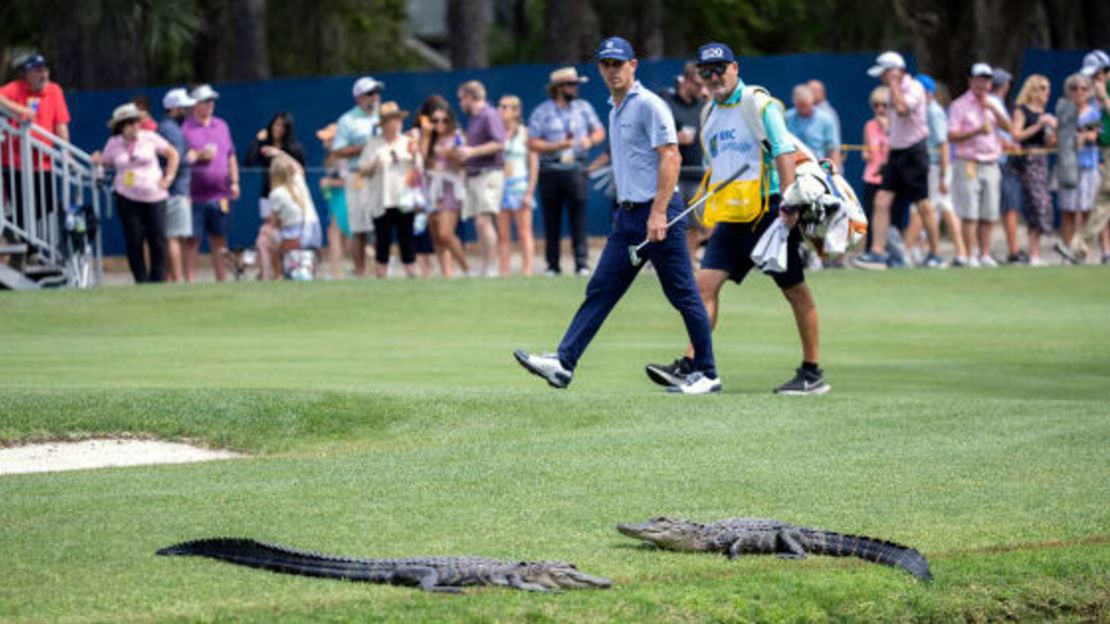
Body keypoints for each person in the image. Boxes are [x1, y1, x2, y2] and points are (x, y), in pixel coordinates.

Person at [515, 36, 719, 395]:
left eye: (618, 63)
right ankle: (564, 362)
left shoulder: (650, 105)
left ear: (633, 65)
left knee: (683, 293)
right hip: (627, 218)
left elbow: (670, 156)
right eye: (606, 64)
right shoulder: (614, 108)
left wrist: (657, 213)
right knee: (601, 290)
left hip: (659, 213)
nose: (612, 70)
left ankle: (707, 372)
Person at [645, 42, 828, 396]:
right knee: (704, 287)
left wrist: (789, 203)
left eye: (720, 69)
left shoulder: (758, 102)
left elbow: (782, 149)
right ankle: (695, 365)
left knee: (794, 290)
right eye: (706, 72)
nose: (714, 77)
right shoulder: (708, 113)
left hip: (771, 210)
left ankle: (812, 372)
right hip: (734, 216)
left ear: (735, 68)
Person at [852, 52, 942, 270]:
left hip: (915, 152)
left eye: (884, 73)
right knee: (881, 200)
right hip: (896, 152)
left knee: (923, 204)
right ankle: (877, 253)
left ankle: (935, 254)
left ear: (895, 71)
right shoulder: (892, 92)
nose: (881, 77)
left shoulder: (914, 88)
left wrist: (893, 85)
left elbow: (902, 110)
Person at [527, 67, 606, 276]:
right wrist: (558, 146)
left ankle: (582, 263)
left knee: (579, 218)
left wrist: (591, 139)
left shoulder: (583, 108)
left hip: (576, 168)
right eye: (571, 85)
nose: (575, 88)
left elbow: (599, 131)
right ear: (559, 88)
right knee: (551, 220)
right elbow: (532, 142)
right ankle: (552, 265)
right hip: (550, 169)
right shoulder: (542, 111)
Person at [92, 103, 179, 283]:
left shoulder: (150, 138)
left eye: (137, 122)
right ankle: (140, 279)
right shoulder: (114, 143)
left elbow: (173, 154)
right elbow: (106, 161)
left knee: (158, 239)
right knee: (134, 239)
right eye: (130, 123)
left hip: (154, 195)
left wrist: (168, 178)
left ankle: (158, 280)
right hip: (126, 197)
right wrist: (97, 159)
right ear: (121, 126)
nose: (135, 126)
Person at [947, 63, 1013, 267]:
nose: (981, 84)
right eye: (978, 80)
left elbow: (1009, 128)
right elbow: (952, 135)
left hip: (991, 162)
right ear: (970, 81)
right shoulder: (959, 105)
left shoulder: (994, 103)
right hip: (969, 162)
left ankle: (985, 254)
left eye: (985, 80)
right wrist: (976, 131)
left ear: (990, 83)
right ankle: (970, 255)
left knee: (989, 211)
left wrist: (993, 108)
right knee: (970, 211)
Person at [0, 53, 70, 239]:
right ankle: (26, 245)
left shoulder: (54, 90)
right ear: (27, 73)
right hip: (15, 161)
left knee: (46, 204)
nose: (43, 74)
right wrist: (20, 109)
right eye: (38, 70)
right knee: (22, 205)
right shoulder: (16, 88)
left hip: (43, 161)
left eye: (45, 70)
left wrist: (67, 152)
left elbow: (61, 124)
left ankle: (14, 229)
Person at [358, 101, 422, 279]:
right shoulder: (373, 144)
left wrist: (416, 153)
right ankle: (381, 274)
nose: (396, 123)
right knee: (382, 238)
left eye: (397, 119)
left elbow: (419, 167)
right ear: (384, 123)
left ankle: (411, 274)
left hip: (404, 198)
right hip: (382, 199)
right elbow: (362, 170)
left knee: (406, 237)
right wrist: (374, 164)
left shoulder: (408, 142)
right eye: (392, 120)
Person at [182, 84, 239, 282]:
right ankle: (190, 282)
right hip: (194, 195)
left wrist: (235, 182)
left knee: (220, 240)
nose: (210, 105)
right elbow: (181, 156)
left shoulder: (221, 125)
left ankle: (221, 281)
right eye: (206, 101)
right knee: (192, 241)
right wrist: (198, 155)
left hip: (220, 194)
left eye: (212, 101)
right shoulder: (185, 128)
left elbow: (231, 156)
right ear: (195, 104)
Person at [332, 76, 384, 277]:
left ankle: (381, 270)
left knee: (383, 224)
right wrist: (364, 147)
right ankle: (360, 272)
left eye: (376, 92)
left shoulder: (384, 115)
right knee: (360, 227)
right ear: (359, 97)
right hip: (358, 177)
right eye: (370, 93)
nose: (375, 97)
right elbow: (338, 150)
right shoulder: (348, 121)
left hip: (381, 176)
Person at [914, 74, 968, 265]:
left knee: (941, 207)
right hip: (931, 165)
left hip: (937, 165)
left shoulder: (933, 112)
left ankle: (960, 253)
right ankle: (952, 253)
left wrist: (944, 175)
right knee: (937, 208)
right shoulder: (924, 110)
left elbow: (943, 144)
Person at [455, 80, 506, 278]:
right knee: (479, 222)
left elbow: (499, 143)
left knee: (484, 221)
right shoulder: (475, 118)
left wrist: (472, 151)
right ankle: (485, 267)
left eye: (461, 99)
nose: (460, 103)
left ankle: (491, 268)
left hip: (489, 173)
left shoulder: (489, 115)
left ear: (469, 97)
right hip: (475, 174)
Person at [660, 62, 709, 263]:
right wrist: (675, 138)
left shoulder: (703, 104)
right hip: (674, 173)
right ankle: (671, 260)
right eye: (698, 84)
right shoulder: (667, 101)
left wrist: (709, 99)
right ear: (686, 81)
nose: (701, 89)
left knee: (700, 223)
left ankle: (689, 261)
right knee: (675, 221)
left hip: (697, 173)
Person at [1010, 74, 1057, 266]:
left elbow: (1048, 142)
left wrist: (1054, 130)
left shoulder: (1043, 112)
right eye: (1044, 88)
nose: (1048, 93)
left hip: (1042, 159)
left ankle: (1035, 253)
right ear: (1034, 90)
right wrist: (1039, 124)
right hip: (1027, 160)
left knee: (1042, 203)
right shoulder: (1022, 110)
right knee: (1036, 203)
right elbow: (1016, 134)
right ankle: (1033, 253)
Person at [1055, 74, 1101, 254]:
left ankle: (1083, 250)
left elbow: (1100, 135)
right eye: (1074, 88)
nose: (1078, 92)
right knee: (1068, 210)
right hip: (1068, 166)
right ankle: (1067, 249)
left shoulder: (1095, 112)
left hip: (1088, 165)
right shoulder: (1063, 110)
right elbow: (1054, 135)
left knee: (1088, 210)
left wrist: (1088, 137)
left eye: (1083, 88)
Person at [156, 87, 197, 282]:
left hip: (176, 189)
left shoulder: (171, 129)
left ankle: (175, 278)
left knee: (176, 236)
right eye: (183, 108)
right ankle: (177, 280)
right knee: (173, 236)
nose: (187, 112)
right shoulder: (169, 129)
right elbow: (178, 159)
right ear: (173, 109)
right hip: (174, 191)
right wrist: (193, 157)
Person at [258, 153, 321, 279]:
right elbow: (298, 168)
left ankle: (271, 275)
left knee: (263, 238)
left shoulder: (276, 193)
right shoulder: (299, 182)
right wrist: (280, 153)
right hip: (315, 234)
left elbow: (273, 223)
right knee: (271, 235)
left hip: (298, 238)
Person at [496, 94, 538, 276]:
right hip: (500, 187)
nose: (501, 110)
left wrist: (529, 192)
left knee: (524, 231)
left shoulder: (525, 133)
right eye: (500, 106)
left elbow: (533, 164)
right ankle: (504, 272)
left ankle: (527, 271)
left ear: (516, 111)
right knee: (503, 234)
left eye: (506, 107)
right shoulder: (495, 133)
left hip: (519, 186)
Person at [991, 68, 1026, 264]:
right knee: (1009, 207)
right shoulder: (994, 104)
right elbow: (996, 133)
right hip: (1001, 162)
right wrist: (1008, 143)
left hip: (1001, 161)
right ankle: (1013, 251)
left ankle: (1009, 250)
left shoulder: (996, 103)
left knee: (1005, 207)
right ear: (1005, 86)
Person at [860, 86, 891, 251]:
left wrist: (887, 129)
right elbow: (866, 148)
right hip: (871, 176)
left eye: (884, 105)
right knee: (870, 215)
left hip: (889, 178)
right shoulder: (869, 125)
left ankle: (888, 250)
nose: (880, 109)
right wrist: (865, 154)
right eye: (876, 105)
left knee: (889, 216)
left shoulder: (897, 126)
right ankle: (870, 250)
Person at [786, 83, 840, 168]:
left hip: (819, 167)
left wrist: (834, 172)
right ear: (794, 103)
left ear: (812, 102)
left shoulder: (826, 119)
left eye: (805, 105)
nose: (803, 109)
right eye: (800, 106)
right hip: (793, 166)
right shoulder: (787, 117)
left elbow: (833, 149)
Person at [807, 79, 842, 153]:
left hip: (823, 161)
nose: (808, 94)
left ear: (822, 93)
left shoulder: (829, 114)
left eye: (812, 91)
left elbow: (834, 144)